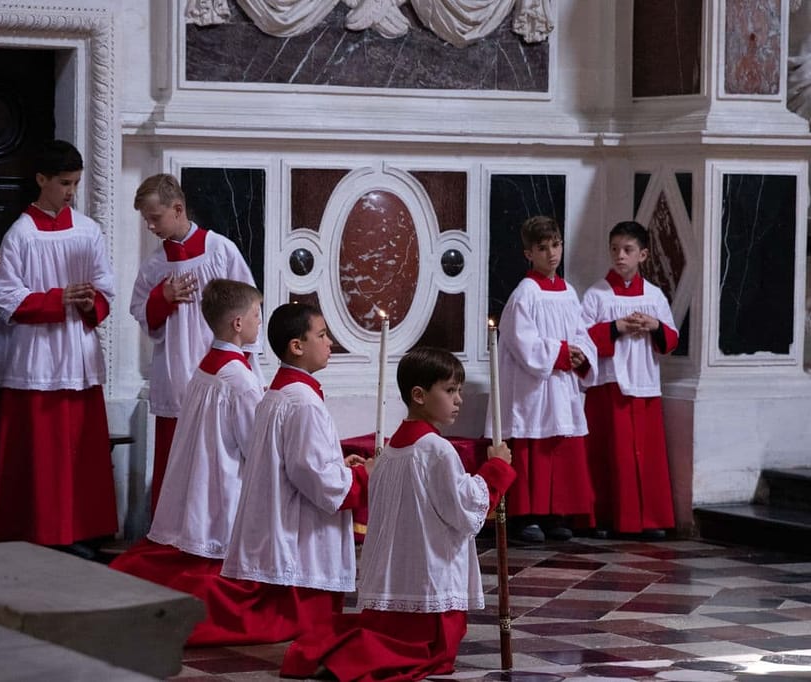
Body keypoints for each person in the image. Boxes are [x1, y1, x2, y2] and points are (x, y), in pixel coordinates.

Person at [281, 347, 516, 681]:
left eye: (459, 390)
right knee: (430, 653)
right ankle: (352, 660)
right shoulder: (437, 450)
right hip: (428, 576)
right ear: (419, 395)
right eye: (450, 390)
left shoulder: (392, 450)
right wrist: (496, 469)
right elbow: (465, 508)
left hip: (397, 576)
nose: (459, 400)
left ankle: (344, 653)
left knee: (398, 638)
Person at [182, 302, 370, 646]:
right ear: (297, 346)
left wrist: (341, 466)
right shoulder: (302, 402)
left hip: (280, 525)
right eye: (322, 335)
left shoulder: (280, 393)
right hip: (299, 539)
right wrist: (364, 476)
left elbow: (295, 461)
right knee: (287, 624)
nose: (330, 343)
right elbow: (318, 479)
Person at [0, 140, 117, 553]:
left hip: (77, 355)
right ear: (41, 179)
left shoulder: (87, 230)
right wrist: (57, 298)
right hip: (36, 358)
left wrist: (91, 302)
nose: (71, 192)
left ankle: (82, 531)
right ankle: (39, 534)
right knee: (42, 454)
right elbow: (5, 299)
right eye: (64, 183)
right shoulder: (20, 234)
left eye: (76, 183)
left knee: (81, 451)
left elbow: (106, 287)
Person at [109, 279, 264, 593]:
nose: (259, 322)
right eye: (256, 315)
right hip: (224, 483)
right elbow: (255, 445)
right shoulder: (240, 380)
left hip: (203, 478)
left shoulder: (206, 367)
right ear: (238, 323)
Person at [130, 173, 264, 515]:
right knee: (175, 464)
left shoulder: (221, 250)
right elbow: (142, 314)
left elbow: (249, 306)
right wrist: (162, 298)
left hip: (220, 371)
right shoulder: (155, 266)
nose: (150, 226)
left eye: (155, 217)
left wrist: (246, 361)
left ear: (178, 209)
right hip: (176, 376)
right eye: (146, 220)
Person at [486, 215, 597, 543]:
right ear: (528, 254)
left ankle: (556, 513)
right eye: (543, 248)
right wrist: (562, 353)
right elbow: (523, 343)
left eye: (556, 245)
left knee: (559, 448)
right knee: (533, 448)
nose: (552, 254)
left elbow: (582, 333)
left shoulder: (569, 292)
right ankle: (527, 516)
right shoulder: (525, 294)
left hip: (561, 385)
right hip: (532, 387)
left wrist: (581, 354)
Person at [582, 221, 678, 539]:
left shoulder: (654, 295)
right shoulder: (597, 294)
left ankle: (650, 519)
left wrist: (654, 325)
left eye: (627, 250)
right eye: (614, 249)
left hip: (644, 383)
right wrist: (616, 327)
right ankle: (607, 518)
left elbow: (671, 338)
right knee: (612, 453)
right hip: (609, 384)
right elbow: (581, 338)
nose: (620, 256)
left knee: (646, 455)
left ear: (643, 255)